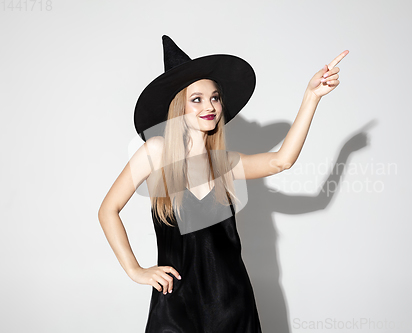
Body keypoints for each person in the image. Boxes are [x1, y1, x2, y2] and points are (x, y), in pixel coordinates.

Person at [98, 35, 348, 332]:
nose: (210, 106)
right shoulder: (156, 152)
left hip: (232, 304)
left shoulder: (225, 163)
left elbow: (282, 161)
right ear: (179, 107)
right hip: (176, 305)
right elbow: (108, 210)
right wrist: (135, 270)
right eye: (197, 99)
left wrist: (311, 96)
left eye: (215, 97)